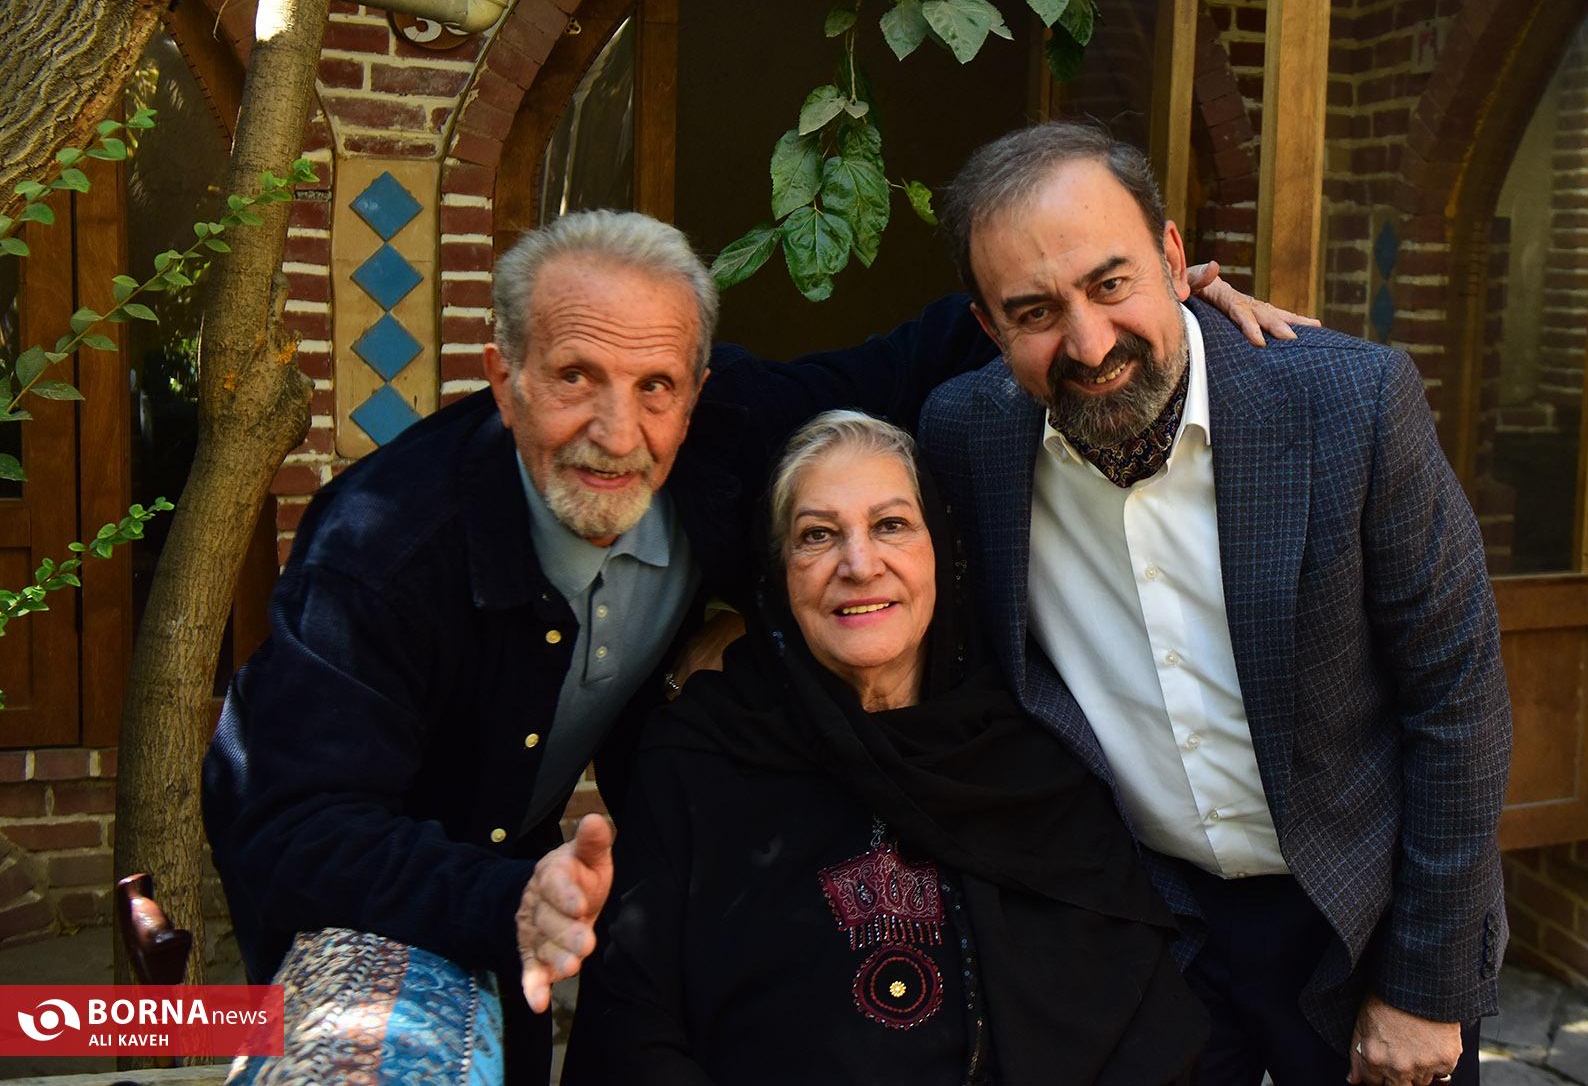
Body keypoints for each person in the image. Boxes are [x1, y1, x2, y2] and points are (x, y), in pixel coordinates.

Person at [203, 206, 1291, 1084]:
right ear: (505, 376)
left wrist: (1161, 304)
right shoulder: (382, 549)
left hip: (547, 892)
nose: (617, 432)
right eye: (575, 376)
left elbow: (946, 339)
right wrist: (502, 898)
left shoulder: (736, 433)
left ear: (699, 393)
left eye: (655, 387)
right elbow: (284, 822)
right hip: (388, 892)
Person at [919, 123, 1513, 1086]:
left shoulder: (1351, 405)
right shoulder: (965, 436)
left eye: (1112, 283)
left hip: (1363, 917)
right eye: (1035, 311)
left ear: (1174, 258)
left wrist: (1427, 984)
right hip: (1150, 927)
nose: (1089, 343)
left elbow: (1460, 700)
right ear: (989, 327)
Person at [562, 411, 1207, 1085]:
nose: (860, 564)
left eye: (891, 525)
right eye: (817, 535)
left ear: (942, 551)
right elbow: (631, 1020)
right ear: (778, 573)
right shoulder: (702, 755)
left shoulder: (1029, 748)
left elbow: (1143, 1016)